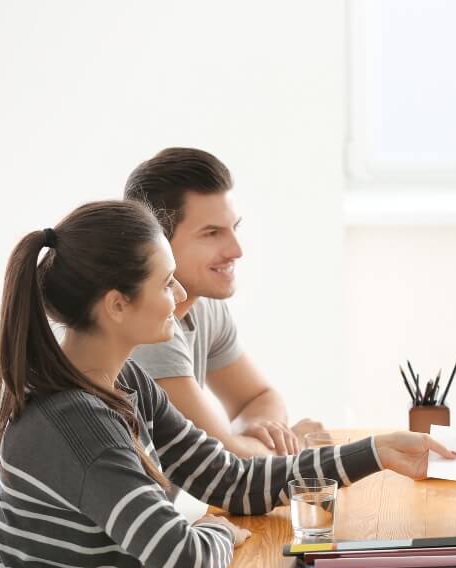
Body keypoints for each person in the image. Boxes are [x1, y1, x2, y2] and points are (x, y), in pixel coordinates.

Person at [0, 200, 456, 568]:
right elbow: (182, 560)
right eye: (166, 281)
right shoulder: (78, 425)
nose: (180, 292)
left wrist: (374, 452)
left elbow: (233, 479)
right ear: (117, 304)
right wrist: (219, 535)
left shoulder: (122, 384)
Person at [124, 147, 316, 459]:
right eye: (212, 233)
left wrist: (255, 431)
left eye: (234, 228)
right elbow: (226, 464)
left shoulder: (202, 303)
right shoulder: (147, 331)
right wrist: (290, 443)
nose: (236, 250)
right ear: (155, 243)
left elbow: (260, 397)